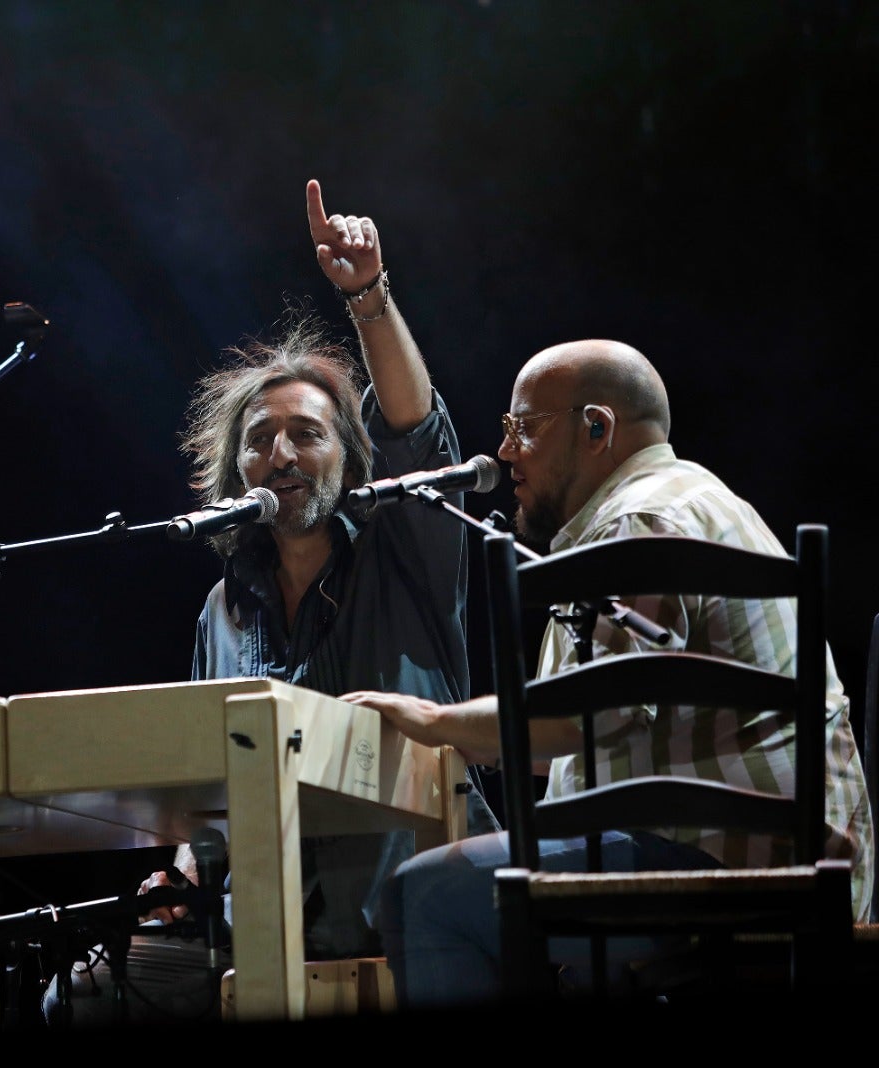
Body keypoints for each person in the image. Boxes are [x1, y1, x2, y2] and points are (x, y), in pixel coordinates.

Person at [46, 179, 499, 1025]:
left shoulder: (406, 550)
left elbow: (415, 428)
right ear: (234, 474)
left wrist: (367, 297)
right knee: (79, 1000)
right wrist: (177, 867)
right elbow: (206, 780)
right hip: (252, 923)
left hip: (408, 907)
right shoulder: (221, 609)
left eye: (306, 434)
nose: (280, 453)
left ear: (349, 462)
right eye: (259, 441)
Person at [346, 337, 874, 1006]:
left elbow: (593, 714)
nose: (506, 451)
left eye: (524, 429)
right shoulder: (691, 500)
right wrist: (465, 735)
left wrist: (432, 717)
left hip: (722, 867)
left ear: (596, 427)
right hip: (779, 865)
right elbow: (597, 732)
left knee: (424, 896)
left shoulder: (639, 516)